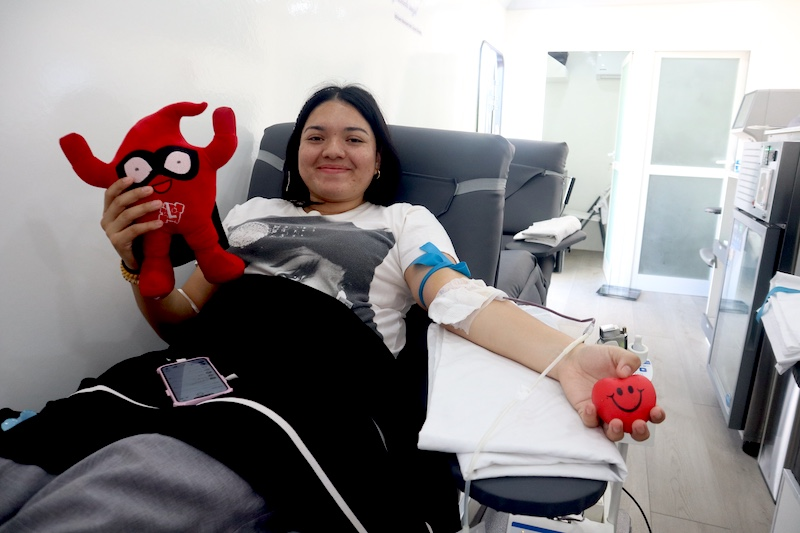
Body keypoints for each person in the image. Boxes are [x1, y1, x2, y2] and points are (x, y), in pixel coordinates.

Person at [0, 83, 665, 533]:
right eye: (315, 136)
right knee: (31, 455)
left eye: (354, 137)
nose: (333, 149)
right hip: (198, 371)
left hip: (308, 388)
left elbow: (457, 298)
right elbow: (181, 319)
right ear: (297, 155)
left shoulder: (403, 221)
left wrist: (568, 358)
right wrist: (133, 264)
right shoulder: (251, 213)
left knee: (121, 484)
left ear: (377, 160)